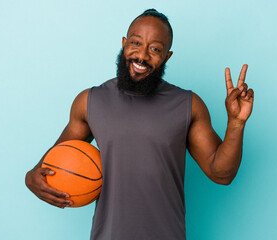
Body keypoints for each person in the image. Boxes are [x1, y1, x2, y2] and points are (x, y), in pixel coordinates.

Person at [25, 9, 254, 240]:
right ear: (124, 44)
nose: (142, 55)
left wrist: (236, 124)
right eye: (135, 43)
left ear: (167, 56)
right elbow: (48, 166)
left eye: (155, 49)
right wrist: (32, 177)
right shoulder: (90, 101)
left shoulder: (188, 105)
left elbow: (221, 174)